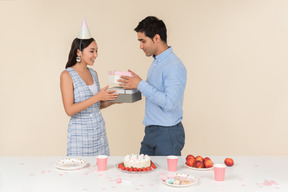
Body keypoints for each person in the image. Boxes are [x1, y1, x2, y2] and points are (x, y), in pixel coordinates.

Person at [119, 16, 187, 156]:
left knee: (167, 177)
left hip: (167, 133)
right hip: (151, 131)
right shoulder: (157, 62)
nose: (140, 46)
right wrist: (135, 86)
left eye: (143, 41)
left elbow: (170, 103)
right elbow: (154, 93)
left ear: (156, 38)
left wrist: (141, 84)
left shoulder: (174, 65)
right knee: (143, 173)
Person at [60, 19, 118, 156]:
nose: (96, 55)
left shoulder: (93, 73)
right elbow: (69, 110)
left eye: (97, 51)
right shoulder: (67, 75)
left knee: (101, 171)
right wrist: (97, 96)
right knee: (81, 173)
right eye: (92, 51)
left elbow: (97, 105)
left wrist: (115, 99)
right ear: (79, 52)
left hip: (99, 133)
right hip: (80, 136)